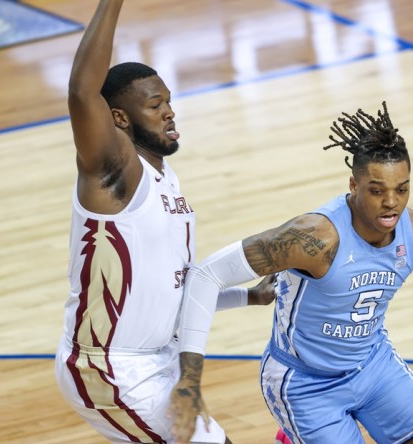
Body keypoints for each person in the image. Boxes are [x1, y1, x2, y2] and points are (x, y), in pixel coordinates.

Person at [169, 102, 413, 443]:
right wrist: (190, 378)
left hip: (373, 366)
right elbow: (205, 275)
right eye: (376, 190)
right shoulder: (313, 238)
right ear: (353, 184)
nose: (391, 203)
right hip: (305, 383)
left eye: (402, 189)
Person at [53, 1, 274, 443]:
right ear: (119, 119)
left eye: (169, 102)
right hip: (112, 366)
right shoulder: (115, 171)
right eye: (155, 106)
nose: (170, 112)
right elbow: (81, 92)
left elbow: (171, 290)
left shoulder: (166, 180)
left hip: (157, 359)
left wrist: (247, 296)